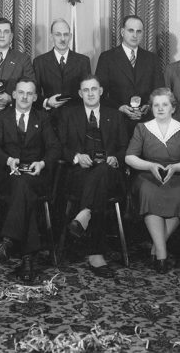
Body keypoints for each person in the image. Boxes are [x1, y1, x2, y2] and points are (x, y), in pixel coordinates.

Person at [0, 78, 61, 283]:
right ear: (13, 94)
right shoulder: (1, 117)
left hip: (35, 175)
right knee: (23, 190)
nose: (24, 97)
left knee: (25, 187)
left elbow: (54, 148)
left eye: (29, 94)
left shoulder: (43, 118)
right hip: (9, 176)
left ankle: (9, 240)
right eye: (21, 92)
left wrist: (42, 163)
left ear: (35, 97)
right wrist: (8, 160)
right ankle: (27, 259)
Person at [58, 75, 128, 278]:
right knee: (98, 182)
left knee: (104, 171)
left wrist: (116, 158)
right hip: (79, 173)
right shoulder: (68, 115)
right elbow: (59, 146)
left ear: (101, 91)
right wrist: (76, 156)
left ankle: (85, 213)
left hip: (110, 173)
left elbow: (125, 148)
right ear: (80, 94)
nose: (90, 93)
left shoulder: (114, 116)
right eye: (86, 90)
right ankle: (96, 253)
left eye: (94, 89)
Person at [125, 88, 180, 273]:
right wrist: (150, 166)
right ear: (151, 108)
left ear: (173, 108)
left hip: (176, 175)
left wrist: (175, 167)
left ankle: (157, 247)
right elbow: (129, 157)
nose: (160, 108)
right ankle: (162, 255)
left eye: (165, 104)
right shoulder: (142, 128)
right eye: (156, 105)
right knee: (150, 193)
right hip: (148, 175)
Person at [95, 15, 164, 138]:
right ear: (122, 32)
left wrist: (149, 105)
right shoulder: (107, 58)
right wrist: (120, 107)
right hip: (117, 122)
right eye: (130, 30)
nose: (135, 35)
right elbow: (99, 94)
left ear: (143, 34)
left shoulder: (152, 59)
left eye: (139, 31)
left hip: (147, 124)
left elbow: (159, 91)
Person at [33, 18, 91, 127]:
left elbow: (87, 92)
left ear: (71, 36)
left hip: (77, 121)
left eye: (66, 34)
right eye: (58, 35)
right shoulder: (39, 62)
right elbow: (34, 93)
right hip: (49, 120)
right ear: (51, 37)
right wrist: (47, 102)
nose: (63, 39)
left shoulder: (83, 61)